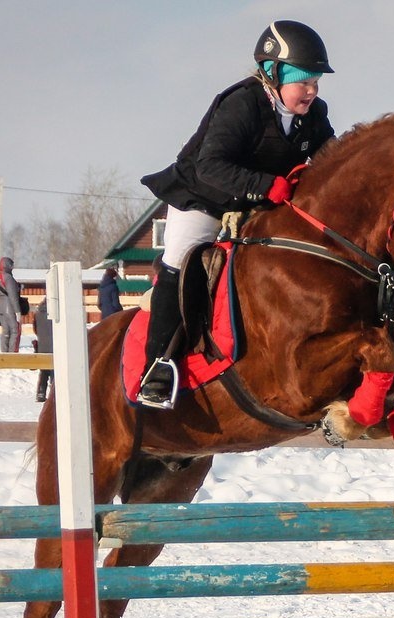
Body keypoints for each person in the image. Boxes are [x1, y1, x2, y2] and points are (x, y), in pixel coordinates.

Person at [136, 19, 336, 408]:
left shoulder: (315, 113)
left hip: (257, 204)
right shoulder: (241, 104)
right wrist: (266, 185)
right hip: (203, 197)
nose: (311, 90)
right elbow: (210, 166)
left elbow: (332, 158)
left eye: (315, 82)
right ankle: (157, 366)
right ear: (274, 74)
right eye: (303, 81)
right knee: (181, 264)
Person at [0, 256, 23, 352]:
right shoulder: (8, 278)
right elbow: (13, 296)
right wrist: (18, 311)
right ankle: (12, 354)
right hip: (9, 306)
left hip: (0, 306)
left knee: (5, 331)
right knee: (15, 330)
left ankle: (4, 353)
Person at [33, 296, 54, 402]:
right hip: (54, 345)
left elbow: (35, 329)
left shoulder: (38, 313)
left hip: (42, 345)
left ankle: (40, 393)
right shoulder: (55, 313)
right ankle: (54, 393)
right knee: (55, 371)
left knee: (44, 371)